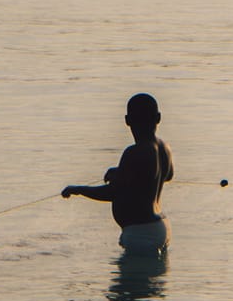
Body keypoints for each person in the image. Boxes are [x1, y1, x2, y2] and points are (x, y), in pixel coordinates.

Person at [63, 93, 176, 251]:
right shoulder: (165, 148)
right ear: (158, 118)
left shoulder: (134, 152)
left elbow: (112, 193)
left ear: (127, 121)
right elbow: (165, 175)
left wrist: (79, 190)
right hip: (161, 226)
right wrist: (122, 172)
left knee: (133, 276)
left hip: (141, 233)